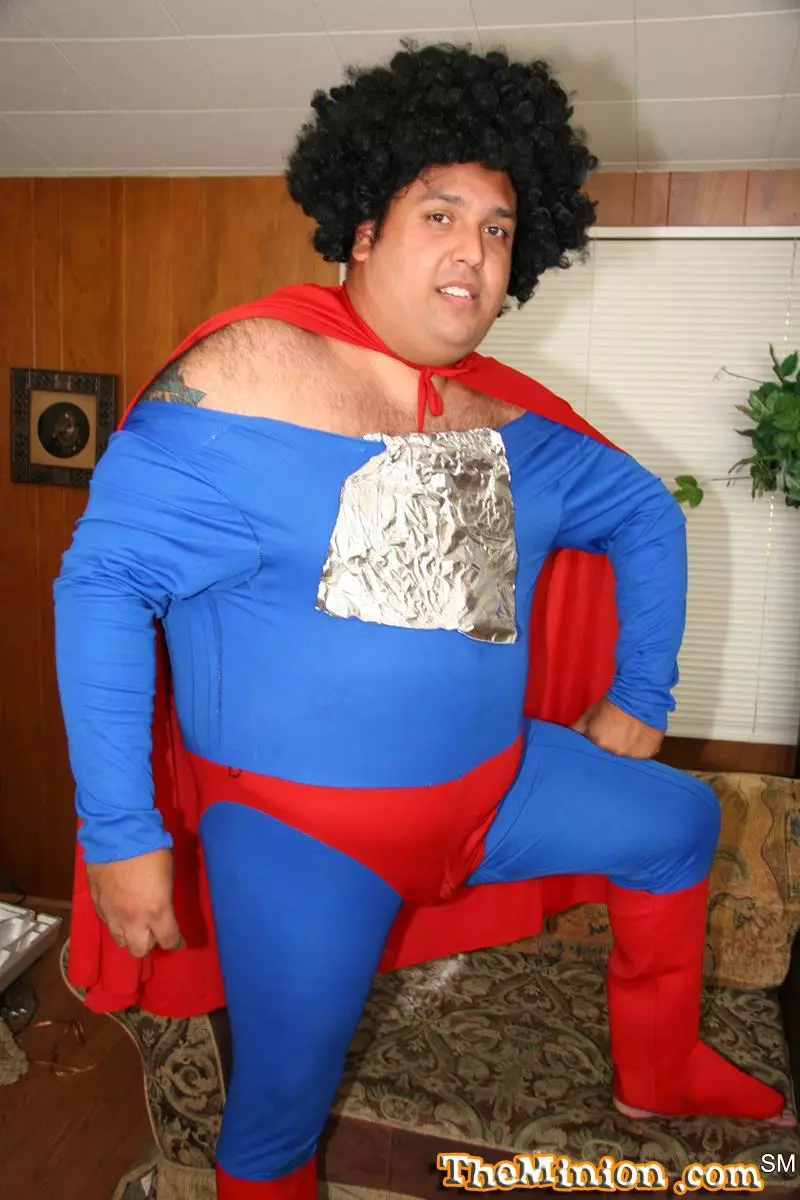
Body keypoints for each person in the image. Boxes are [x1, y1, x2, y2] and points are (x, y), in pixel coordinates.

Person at [53, 42, 793, 1200]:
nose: (473, 251)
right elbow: (102, 587)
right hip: (303, 839)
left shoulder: (508, 422)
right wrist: (118, 831)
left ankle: (658, 1071)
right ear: (363, 230)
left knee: (675, 822)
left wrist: (639, 693)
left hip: (495, 792)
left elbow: (645, 513)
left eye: (498, 228)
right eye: (439, 214)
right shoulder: (241, 378)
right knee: (275, 1119)